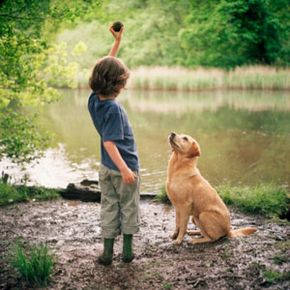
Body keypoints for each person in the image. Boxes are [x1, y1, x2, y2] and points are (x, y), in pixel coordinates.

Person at [87, 24, 140, 266]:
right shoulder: (114, 109)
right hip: (123, 166)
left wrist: (116, 43)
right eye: (123, 82)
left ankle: (107, 254)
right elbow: (109, 142)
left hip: (105, 168)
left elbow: (106, 68)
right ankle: (127, 252)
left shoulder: (93, 99)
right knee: (128, 206)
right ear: (117, 85)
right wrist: (126, 170)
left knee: (109, 206)